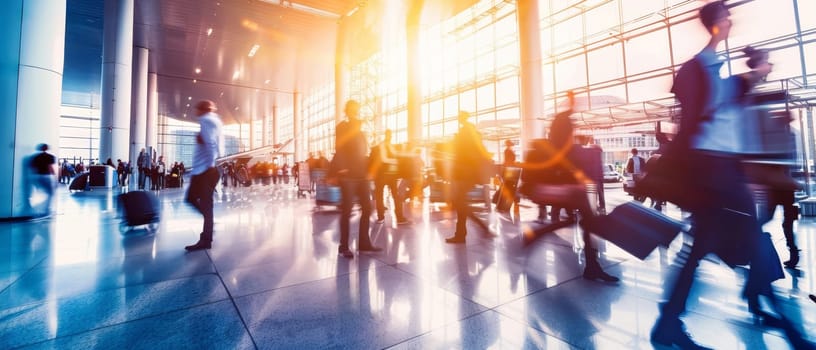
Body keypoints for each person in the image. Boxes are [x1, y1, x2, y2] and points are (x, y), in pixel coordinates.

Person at [650, 3, 809, 349]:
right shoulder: (697, 69)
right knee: (744, 243)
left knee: (708, 248)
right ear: (716, 22)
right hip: (712, 171)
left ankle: (669, 323)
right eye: (726, 16)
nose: (731, 20)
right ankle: (788, 329)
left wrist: (757, 67)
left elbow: (740, 88)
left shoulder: (716, 72)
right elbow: (692, 124)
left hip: (725, 170)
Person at [519, 91, 618, 283]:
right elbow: (561, 165)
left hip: (553, 187)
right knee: (588, 219)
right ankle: (591, 265)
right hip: (552, 188)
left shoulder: (555, 141)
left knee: (583, 219)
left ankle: (591, 265)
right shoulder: (560, 146)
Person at [330, 100, 381, 258]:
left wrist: (368, 170)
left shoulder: (360, 131)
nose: (355, 111)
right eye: (352, 109)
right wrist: (342, 167)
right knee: (347, 211)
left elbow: (362, 152)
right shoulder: (343, 127)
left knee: (367, 208)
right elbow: (339, 147)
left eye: (357, 109)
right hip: (349, 176)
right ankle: (343, 245)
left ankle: (364, 243)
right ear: (347, 110)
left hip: (361, 175)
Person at [445, 111, 491, 244]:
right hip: (467, 173)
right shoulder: (469, 131)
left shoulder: (466, 131)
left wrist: (454, 143)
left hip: (467, 173)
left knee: (460, 202)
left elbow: (463, 151)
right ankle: (464, 233)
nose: (459, 119)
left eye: (460, 117)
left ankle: (463, 234)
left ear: (463, 118)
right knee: (460, 203)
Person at [184, 100, 224, 251]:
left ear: (202, 110)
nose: (196, 112)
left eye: (197, 109)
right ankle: (209, 225)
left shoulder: (206, 120)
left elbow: (211, 143)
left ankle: (206, 238)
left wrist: (210, 166)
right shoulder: (216, 121)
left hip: (204, 170)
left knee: (200, 203)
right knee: (196, 201)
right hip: (205, 169)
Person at [372, 129, 408, 224]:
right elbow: (384, 159)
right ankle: (397, 217)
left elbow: (396, 154)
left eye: (391, 136)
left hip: (387, 174)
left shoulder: (388, 145)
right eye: (390, 135)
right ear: (387, 135)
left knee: (385, 195)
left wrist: (407, 154)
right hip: (383, 175)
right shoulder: (383, 145)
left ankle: (382, 217)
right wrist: (396, 161)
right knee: (390, 195)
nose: (390, 137)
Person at [29, 143, 57, 217]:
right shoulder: (50, 157)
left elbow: (32, 168)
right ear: (47, 148)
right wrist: (55, 178)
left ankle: (35, 210)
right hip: (46, 176)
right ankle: (47, 211)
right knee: (51, 193)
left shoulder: (35, 157)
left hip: (36, 176)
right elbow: (50, 167)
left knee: (38, 193)